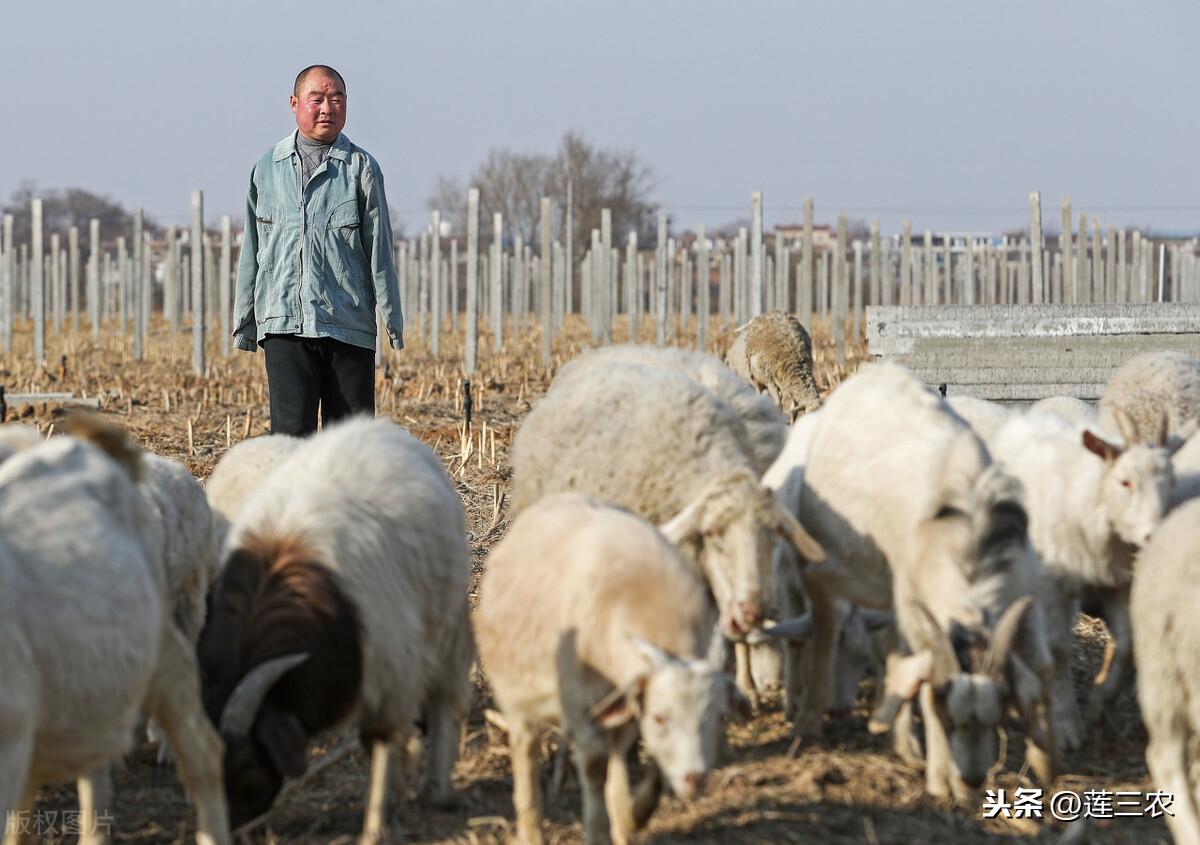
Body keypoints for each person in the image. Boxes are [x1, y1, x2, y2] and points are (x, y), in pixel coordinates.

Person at [233, 64, 404, 436]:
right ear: (295, 104)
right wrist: (246, 320)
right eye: (317, 99)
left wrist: (392, 320)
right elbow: (253, 250)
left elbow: (380, 251)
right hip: (283, 324)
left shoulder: (361, 168)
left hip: (347, 326)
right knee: (290, 441)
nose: (327, 107)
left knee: (350, 444)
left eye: (337, 99)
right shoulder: (267, 167)